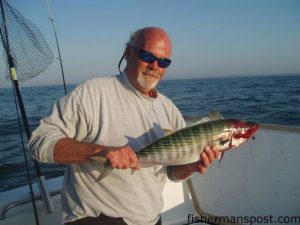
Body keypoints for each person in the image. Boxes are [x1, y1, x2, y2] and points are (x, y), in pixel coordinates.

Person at [29, 27, 220, 225]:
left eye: (164, 61)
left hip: (150, 219)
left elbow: (173, 173)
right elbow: (40, 141)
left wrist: (190, 166)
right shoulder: (94, 92)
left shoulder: (169, 110)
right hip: (95, 219)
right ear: (128, 53)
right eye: (148, 56)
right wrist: (101, 151)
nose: (155, 66)